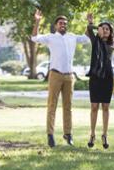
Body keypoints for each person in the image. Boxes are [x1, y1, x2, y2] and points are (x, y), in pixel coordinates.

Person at [31, 9, 90, 147]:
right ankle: (50, 135)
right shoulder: (51, 37)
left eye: (65, 23)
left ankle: (68, 134)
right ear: (55, 25)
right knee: (52, 105)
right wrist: (37, 21)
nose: (63, 25)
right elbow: (34, 38)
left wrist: (89, 23)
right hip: (55, 75)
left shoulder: (72, 37)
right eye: (60, 23)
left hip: (69, 76)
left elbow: (87, 38)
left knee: (68, 107)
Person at [85, 13, 114, 149]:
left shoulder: (112, 44)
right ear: (100, 30)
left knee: (105, 107)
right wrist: (93, 23)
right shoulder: (95, 40)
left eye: (108, 29)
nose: (105, 30)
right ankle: (92, 134)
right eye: (103, 28)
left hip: (107, 77)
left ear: (110, 32)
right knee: (94, 106)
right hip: (95, 76)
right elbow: (89, 30)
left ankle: (104, 135)